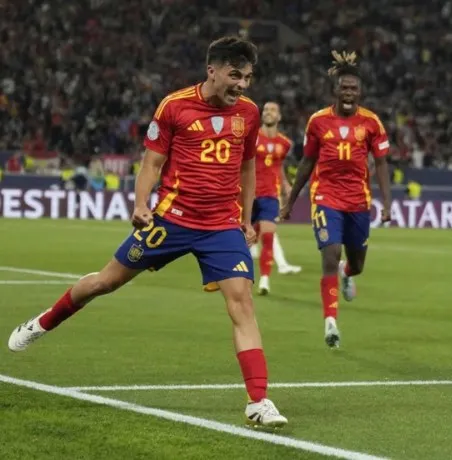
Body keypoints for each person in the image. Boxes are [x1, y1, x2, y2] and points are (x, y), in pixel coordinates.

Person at [8, 36, 287, 428]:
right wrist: (141, 204)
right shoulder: (174, 106)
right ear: (212, 70)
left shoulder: (250, 113)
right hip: (171, 220)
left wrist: (246, 216)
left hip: (221, 224)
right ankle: (43, 323)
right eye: (235, 75)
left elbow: (247, 166)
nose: (242, 85)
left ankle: (258, 400)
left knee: (241, 302)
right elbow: (152, 164)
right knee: (105, 282)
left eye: (248, 78)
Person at [281, 51, 392, 348]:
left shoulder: (371, 123)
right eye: (344, 87)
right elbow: (307, 162)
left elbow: (382, 164)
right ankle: (330, 322)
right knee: (330, 254)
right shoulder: (318, 121)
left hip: (358, 201)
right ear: (335, 90)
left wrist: (387, 203)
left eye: (353, 88)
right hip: (326, 197)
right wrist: (291, 201)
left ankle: (347, 272)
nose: (349, 92)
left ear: (360, 92)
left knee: (357, 264)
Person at [251, 101, 300, 294]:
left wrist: (286, 186)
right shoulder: (251, 138)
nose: (268, 112)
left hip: (270, 195)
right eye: (265, 110)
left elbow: (277, 167)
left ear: (279, 117)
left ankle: (264, 281)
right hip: (247, 195)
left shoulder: (284, 144)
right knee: (240, 238)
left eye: (272, 110)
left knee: (269, 236)